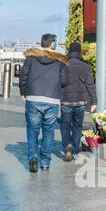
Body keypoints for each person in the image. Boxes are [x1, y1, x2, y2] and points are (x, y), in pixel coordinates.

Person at [19, 34, 68, 173]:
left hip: (33, 98)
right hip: (52, 99)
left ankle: (33, 157)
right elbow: (64, 81)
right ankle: (45, 162)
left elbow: (23, 76)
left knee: (32, 131)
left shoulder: (31, 58)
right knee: (48, 132)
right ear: (53, 44)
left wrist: (24, 93)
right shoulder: (60, 61)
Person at [59, 41, 97, 161]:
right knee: (77, 126)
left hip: (66, 101)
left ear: (70, 51)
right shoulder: (86, 65)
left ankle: (67, 145)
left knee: (65, 125)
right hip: (80, 101)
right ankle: (75, 151)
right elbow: (90, 85)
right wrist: (94, 102)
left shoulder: (63, 64)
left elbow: (58, 82)